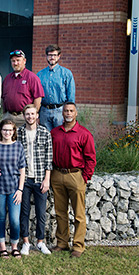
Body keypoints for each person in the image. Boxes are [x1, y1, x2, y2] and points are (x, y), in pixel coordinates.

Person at [50, 102, 96, 258]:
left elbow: (91, 158)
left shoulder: (84, 134)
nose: (68, 113)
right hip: (57, 174)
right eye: (65, 111)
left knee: (78, 214)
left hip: (75, 175)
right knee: (60, 212)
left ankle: (78, 245)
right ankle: (62, 243)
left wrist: (85, 177)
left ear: (76, 113)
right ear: (62, 113)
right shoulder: (55, 132)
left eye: (71, 111)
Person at [17, 104, 53, 256]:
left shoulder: (45, 133)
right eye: (27, 114)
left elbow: (49, 158)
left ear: (37, 115)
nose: (30, 117)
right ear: (24, 116)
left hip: (39, 179)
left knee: (40, 212)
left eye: (33, 114)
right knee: (24, 212)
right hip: (24, 180)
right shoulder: (19, 133)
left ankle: (40, 242)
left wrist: (47, 179)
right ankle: (25, 242)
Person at [0, 119, 26, 259]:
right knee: (1, 217)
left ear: (14, 131)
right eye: (5, 130)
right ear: (0, 130)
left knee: (15, 219)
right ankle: (2, 247)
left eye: (10, 130)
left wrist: (20, 190)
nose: (7, 132)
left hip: (14, 188)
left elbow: (22, 170)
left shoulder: (18, 146)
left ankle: (14, 246)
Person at [37, 45, 76, 131]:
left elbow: (71, 95)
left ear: (59, 56)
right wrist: (37, 114)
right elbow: (37, 96)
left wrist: (69, 113)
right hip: (44, 111)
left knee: (61, 136)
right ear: (46, 56)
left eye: (54, 55)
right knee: (46, 137)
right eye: (50, 55)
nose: (52, 57)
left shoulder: (66, 73)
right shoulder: (39, 75)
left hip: (60, 110)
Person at [2, 49, 44, 127]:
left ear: (24, 61)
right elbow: (3, 98)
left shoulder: (32, 77)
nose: (15, 63)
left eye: (18, 60)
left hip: (24, 117)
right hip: (9, 117)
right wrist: (5, 114)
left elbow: (38, 98)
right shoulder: (7, 78)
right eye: (13, 61)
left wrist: (33, 115)